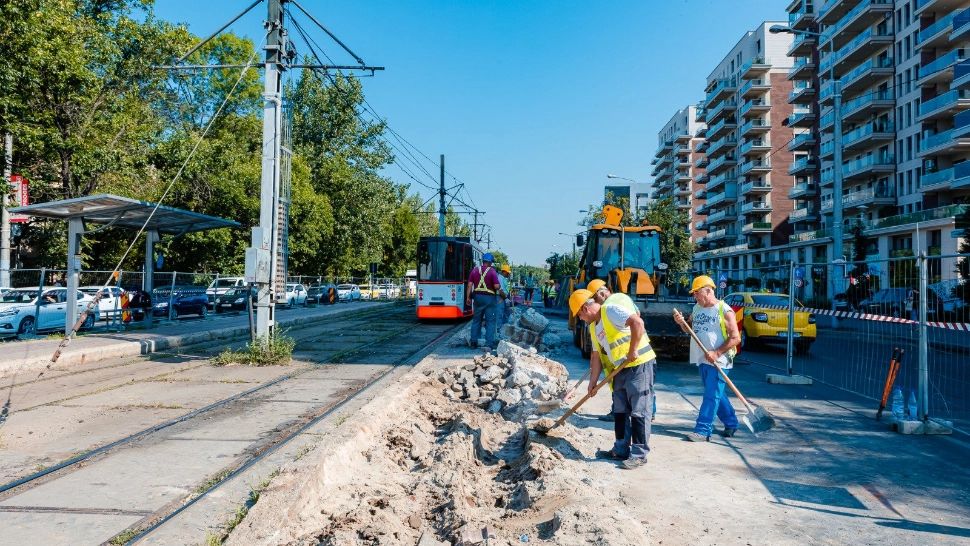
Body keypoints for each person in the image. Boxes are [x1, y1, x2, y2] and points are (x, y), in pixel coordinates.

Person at [569, 288, 657, 470]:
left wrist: (632, 349)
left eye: (579, 315)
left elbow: (637, 323)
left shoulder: (610, 310)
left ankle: (639, 454)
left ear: (585, 309)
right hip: (619, 369)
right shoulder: (593, 327)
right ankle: (620, 449)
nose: (580, 319)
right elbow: (596, 356)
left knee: (639, 411)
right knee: (620, 410)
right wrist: (592, 383)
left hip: (639, 364)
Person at [673, 275, 741, 442]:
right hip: (702, 358)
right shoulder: (697, 308)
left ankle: (703, 430)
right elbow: (689, 330)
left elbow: (735, 338)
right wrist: (681, 323)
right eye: (694, 294)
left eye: (697, 293)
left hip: (719, 360)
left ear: (708, 291)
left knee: (711, 395)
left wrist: (717, 353)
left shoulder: (724, 310)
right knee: (716, 393)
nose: (694, 296)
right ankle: (731, 422)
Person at [586, 278, 657, 423]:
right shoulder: (622, 299)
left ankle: (647, 415)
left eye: (593, 299)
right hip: (624, 359)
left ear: (600, 295)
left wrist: (633, 348)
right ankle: (645, 413)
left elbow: (636, 321)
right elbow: (637, 314)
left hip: (635, 357)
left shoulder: (611, 306)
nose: (594, 304)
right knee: (636, 394)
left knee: (640, 396)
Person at [466, 253, 502, 349]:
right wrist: (500, 288)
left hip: (477, 297)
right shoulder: (492, 271)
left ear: (483, 261)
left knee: (476, 320)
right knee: (490, 321)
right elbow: (496, 286)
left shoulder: (474, 270)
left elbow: (469, 285)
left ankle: (473, 342)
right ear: (490, 262)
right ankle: (488, 344)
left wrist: (468, 298)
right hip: (489, 299)